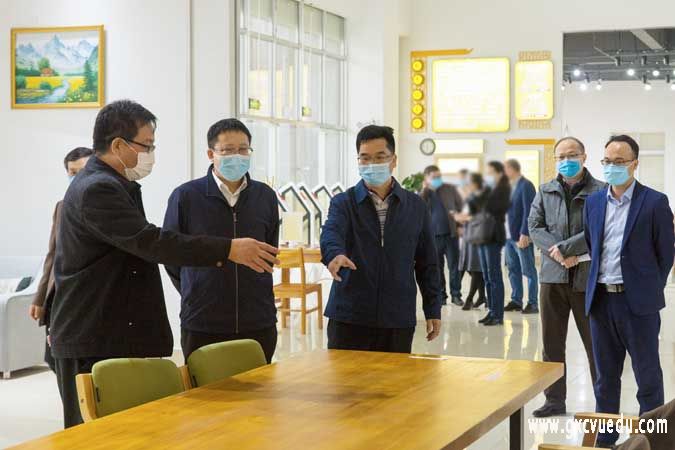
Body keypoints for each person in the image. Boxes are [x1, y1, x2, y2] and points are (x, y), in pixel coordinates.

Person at [50, 100, 279, 429]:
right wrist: (228, 249)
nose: (151, 153)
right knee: (97, 437)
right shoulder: (97, 188)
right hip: (94, 334)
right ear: (119, 145)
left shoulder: (116, 184)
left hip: (115, 333)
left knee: (132, 433)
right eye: (147, 145)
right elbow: (152, 242)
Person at [163, 119, 279, 363]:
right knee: (206, 387)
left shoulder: (265, 196)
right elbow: (172, 255)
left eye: (243, 149)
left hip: (257, 319)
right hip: (203, 321)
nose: (237, 156)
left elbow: (269, 250)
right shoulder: (186, 196)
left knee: (260, 387)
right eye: (227, 150)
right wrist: (195, 288)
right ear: (211, 154)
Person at [584, 135, 674, 447]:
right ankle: (606, 439)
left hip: (638, 305)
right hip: (601, 302)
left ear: (634, 164)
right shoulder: (594, 202)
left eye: (619, 162)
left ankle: (653, 441)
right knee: (605, 379)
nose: (612, 167)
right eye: (607, 162)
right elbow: (593, 245)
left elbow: (666, 254)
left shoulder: (655, 202)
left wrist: (647, 289)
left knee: (647, 378)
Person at [320, 125, 442, 353]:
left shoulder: (415, 206)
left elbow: (427, 263)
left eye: (380, 157)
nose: (371, 164)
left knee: (394, 377)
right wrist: (334, 253)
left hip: (397, 318)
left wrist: (433, 308)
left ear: (393, 160)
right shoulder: (343, 203)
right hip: (350, 316)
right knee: (345, 377)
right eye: (365, 158)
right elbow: (331, 232)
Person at [528, 137, 605, 418]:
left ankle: (603, 402)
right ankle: (554, 401)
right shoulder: (545, 190)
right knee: (552, 344)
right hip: (553, 278)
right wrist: (559, 255)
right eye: (561, 156)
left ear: (584, 156)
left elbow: (599, 228)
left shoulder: (601, 191)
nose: (566, 161)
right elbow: (535, 227)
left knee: (596, 345)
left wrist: (567, 249)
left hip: (587, 279)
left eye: (572, 155)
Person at [29, 147, 93, 372]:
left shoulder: (105, 203)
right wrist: (39, 297)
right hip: (59, 294)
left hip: (88, 295)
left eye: (82, 171)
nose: (76, 178)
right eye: (72, 173)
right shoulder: (62, 206)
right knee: (53, 357)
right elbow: (53, 253)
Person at [420, 165, 464, 306]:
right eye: (434, 177)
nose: (438, 179)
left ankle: (456, 295)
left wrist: (460, 226)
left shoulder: (450, 188)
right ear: (427, 178)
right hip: (433, 237)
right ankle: (441, 296)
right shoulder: (424, 193)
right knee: (437, 268)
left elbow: (460, 207)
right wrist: (425, 189)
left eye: (439, 176)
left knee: (454, 267)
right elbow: (419, 208)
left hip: (451, 234)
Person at [476, 161, 511, 326]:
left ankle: (498, 314)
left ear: (499, 173)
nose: (488, 176)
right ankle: (491, 311)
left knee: (494, 276)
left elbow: (492, 208)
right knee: (487, 276)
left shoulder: (504, 189)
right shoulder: (489, 189)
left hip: (493, 236)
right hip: (483, 235)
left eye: (490, 172)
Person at [503, 159, 538, 314]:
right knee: (513, 269)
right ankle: (516, 300)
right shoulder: (510, 186)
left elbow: (529, 211)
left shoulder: (526, 185)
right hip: (509, 237)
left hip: (521, 237)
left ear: (512, 169)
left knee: (528, 270)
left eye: (504, 169)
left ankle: (533, 303)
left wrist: (525, 233)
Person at [455, 173, 487, 310]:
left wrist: (465, 218)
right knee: (471, 267)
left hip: (478, 236)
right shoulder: (472, 197)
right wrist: (461, 218)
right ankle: (482, 296)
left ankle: (469, 298)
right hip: (469, 235)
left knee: (475, 267)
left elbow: (482, 217)